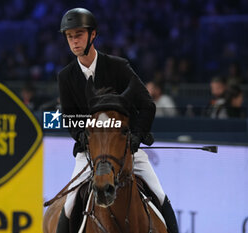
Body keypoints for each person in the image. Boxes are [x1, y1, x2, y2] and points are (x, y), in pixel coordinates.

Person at [56, 8, 178, 233]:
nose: (74, 41)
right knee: (70, 204)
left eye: (79, 35)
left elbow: (147, 104)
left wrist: (137, 136)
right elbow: (68, 116)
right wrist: (81, 135)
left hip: (124, 148)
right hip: (90, 151)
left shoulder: (118, 66)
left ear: (93, 35)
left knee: (160, 196)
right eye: (69, 36)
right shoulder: (66, 76)